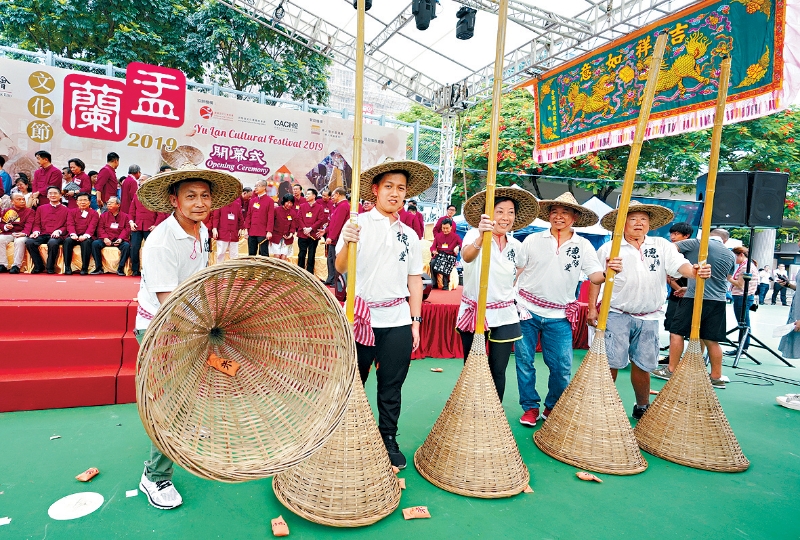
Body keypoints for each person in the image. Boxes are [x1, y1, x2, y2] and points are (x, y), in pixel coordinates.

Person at [133, 165, 241, 510]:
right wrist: (207, 327)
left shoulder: (201, 229)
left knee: (190, 390)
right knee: (171, 403)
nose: (199, 203)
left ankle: (181, 435)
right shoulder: (162, 242)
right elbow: (169, 304)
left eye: (205, 196)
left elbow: (197, 282)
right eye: (190, 196)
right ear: (173, 200)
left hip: (190, 322)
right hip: (160, 328)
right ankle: (154, 477)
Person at [335, 159, 431, 469]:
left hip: (398, 319)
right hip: (361, 318)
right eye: (388, 187)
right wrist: (347, 242)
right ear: (375, 190)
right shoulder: (357, 224)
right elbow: (339, 268)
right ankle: (344, 435)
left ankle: (388, 436)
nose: (395, 193)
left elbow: (415, 279)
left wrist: (415, 321)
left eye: (400, 188)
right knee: (353, 382)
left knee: (392, 385)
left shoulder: (411, 235)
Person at [588, 201, 711, 419]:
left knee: (643, 364)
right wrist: (591, 309)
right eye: (633, 218)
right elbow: (595, 279)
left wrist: (694, 271)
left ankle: (642, 406)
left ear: (649, 223)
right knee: (610, 363)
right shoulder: (609, 248)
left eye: (643, 219)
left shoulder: (661, 245)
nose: (639, 223)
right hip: (616, 313)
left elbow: (680, 266)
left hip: (650, 315)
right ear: (622, 223)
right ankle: (600, 405)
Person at [515, 192, 617, 426]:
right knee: (524, 361)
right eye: (555, 212)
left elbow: (595, 276)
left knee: (561, 366)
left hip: (560, 315)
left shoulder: (583, 245)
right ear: (549, 216)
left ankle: (553, 406)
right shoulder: (533, 240)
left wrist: (610, 270)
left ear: (575, 218)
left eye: (565, 213)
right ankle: (530, 407)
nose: (559, 217)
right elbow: (517, 269)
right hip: (526, 310)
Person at [456, 186, 535, 407]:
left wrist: (505, 287)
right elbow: (467, 257)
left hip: (505, 313)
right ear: (488, 214)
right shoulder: (474, 235)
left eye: (510, 212)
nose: (505, 217)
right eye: (500, 211)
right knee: (472, 365)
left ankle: (493, 413)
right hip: (475, 311)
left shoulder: (516, 245)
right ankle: (468, 409)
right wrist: (481, 236)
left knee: (498, 368)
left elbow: (520, 266)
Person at [654, 229, 736, 389]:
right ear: (725, 240)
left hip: (696, 298)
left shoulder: (699, 243)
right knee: (712, 339)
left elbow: (670, 249)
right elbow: (724, 278)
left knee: (676, 332)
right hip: (718, 300)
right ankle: (716, 377)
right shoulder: (730, 254)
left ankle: (671, 370)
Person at [26, 186, 69, 273]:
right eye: (50, 193)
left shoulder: (66, 210)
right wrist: (36, 232)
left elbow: (67, 225)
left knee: (52, 242)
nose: (53, 195)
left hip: (57, 235)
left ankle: (50, 267)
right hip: (43, 233)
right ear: (47, 196)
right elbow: (36, 224)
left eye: (55, 193)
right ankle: (39, 266)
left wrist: (59, 231)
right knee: (29, 242)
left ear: (60, 196)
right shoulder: (41, 208)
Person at [725, 246, 759, 356]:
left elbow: (740, 285)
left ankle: (743, 348)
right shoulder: (747, 265)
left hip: (742, 297)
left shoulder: (745, 267)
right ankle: (742, 347)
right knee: (743, 323)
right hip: (744, 297)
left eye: (734, 256)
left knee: (743, 323)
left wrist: (729, 278)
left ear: (741, 255)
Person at [129, 191, 168, 277]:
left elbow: (161, 214)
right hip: (137, 226)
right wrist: (131, 222)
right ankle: (135, 270)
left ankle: (153, 269)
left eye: (142, 180)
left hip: (150, 227)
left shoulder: (155, 195)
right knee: (134, 247)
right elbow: (131, 211)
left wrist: (156, 225)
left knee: (152, 249)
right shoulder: (136, 195)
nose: (140, 182)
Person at [664, 223, 693, 334]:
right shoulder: (668, 251)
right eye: (671, 234)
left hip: (691, 295)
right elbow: (667, 276)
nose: (672, 237)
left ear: (687, 235)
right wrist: (679, 290)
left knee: (698, 329)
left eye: (676, 234)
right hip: (676, 296)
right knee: (673, 328)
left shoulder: (694, 252)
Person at [91, 196, 131, 275]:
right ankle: (98, 268)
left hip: (119, 239)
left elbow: (127, 229)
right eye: (108, 203)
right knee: (95, 244)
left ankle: (120, 268)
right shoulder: (103, 215)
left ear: (118, 205)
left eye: (111, 203)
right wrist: (105, 238)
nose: (108, 204)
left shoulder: (125, 216)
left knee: (126, 246)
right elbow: (100, 228)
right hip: (106, 238)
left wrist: (120, 239)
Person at [63, 193, 100, 275]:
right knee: (67, 241)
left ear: (89, 202)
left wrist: (85, 235)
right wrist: (73, 234)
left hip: (87, 236)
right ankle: (67, 267)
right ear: (76, 202)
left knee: (86, 242)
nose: (82, 202)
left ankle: (84, 268)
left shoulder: (94, 213)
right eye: (80, 200)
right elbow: (70, 224)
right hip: (74, 235)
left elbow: (92, 226)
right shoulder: (72, 212)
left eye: (85, 200)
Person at [0, 192, 34, 273]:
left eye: (23, 199)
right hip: (9, 233)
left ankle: (16, 265)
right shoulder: (6, 211)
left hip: (22, 233)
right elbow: (1, 223)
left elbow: (30, 224)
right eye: (19, 199)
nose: (22, 201)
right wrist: (6, 226)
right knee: (0, 239)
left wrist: (24, 233)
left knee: (19, 241)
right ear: (12, 201)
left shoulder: (30, 211)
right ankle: (3, 264)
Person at [296, 187, 325, 275]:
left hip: (313, 234)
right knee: (301, 254)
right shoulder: (302, 206)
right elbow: (299, 218)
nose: (306, 196)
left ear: (314, 196)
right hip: (302, 233)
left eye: (308, 194)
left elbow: (320, 220)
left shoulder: (320, 207)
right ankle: (300, 273)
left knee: (311, 255)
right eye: (306, 194)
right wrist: (304, 228)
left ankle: (309, 274)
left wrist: (310, 228)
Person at [324, 187, 348, 286]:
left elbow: (338, 224)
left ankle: (337, 281)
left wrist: (331, 237)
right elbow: (332, 223)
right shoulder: (337, 206)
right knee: (330, 259)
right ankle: (330, 278)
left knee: (336, 260)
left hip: (337, 239)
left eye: (333, 195)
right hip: (333, 238)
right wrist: (326, 232)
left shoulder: (343, 206)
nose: (332, 198)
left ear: (338, 194)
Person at [429, 217, 461, 289]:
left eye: (447, 228)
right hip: (440, 254)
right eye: (443, 228)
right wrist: (433, 250)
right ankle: (434, 283)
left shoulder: (456, 236)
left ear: (451, 227)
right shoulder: (438, 236)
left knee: (447, 262)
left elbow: (461, 244)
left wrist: (458, 247)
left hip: (450, 255)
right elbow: (432, 247)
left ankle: (446, 283)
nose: (445, 230)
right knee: (432, 263)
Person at [211, 197, 244, 263]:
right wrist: (214, 228)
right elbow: (216, 218)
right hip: (222, 233)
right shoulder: (220, 204)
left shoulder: (237, 205)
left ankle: (234, 271)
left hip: (234, 233)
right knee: (220, 253)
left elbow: (241, 218)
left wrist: (240, 228)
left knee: (234, 255)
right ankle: (219, 271)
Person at [244, 180, 272, 256]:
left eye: (258, 186)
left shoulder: (269, 201)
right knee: (251, 254)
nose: (255, 188)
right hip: (252, 231)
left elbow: (270, 217)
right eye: (255, 186)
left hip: (263, 232)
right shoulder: (252, 201)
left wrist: (269, 231)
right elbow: (248, 215)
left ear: (264, 187)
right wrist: (246, 230)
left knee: (264, 253)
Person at [271, 193, 297, 260]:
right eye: (287, 202)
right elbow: (271, 222)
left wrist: (291, 234)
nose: (289, 205)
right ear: (284, 201)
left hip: (287, 237)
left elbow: (293, 225)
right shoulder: (276, 210)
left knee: (283, 257)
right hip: (276, 236)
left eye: (291, 203)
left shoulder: (293, 213)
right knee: (277, 256)